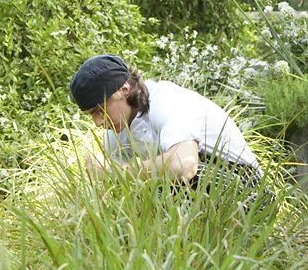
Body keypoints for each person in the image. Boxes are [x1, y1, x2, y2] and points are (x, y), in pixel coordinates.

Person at [69, 53, 262, 190]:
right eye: (91, 115)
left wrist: (117, 172)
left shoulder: (166, 100)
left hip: (247, 187)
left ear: (124, 90)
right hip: (204, 197)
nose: (97, 122)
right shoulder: (116, 131)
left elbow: (185, 166)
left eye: (99, 110)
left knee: (171, 179)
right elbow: (115, 191)